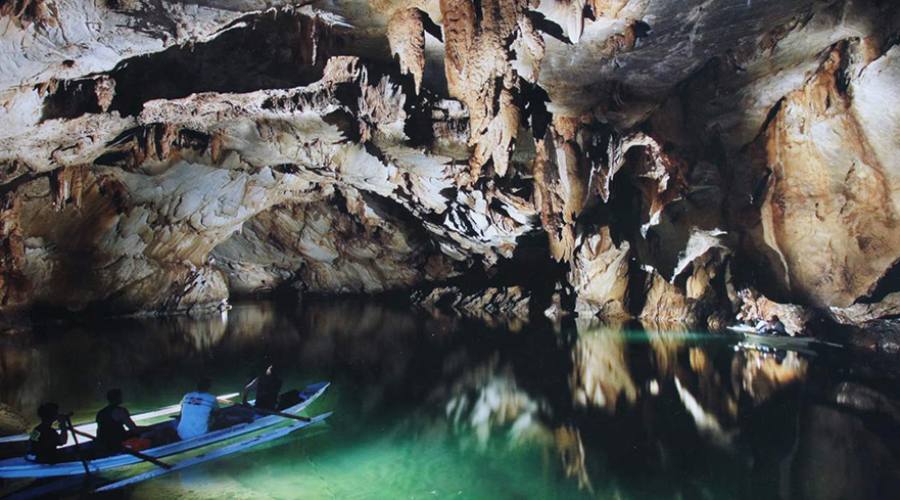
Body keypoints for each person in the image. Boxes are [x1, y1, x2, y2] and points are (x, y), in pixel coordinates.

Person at [95, 388, 143, 453]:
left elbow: (99, 431)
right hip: (119, 443)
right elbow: (133, 428)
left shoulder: (100, 413)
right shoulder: (120, 411)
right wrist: (148, 429)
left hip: (103, 444)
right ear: (118, 398)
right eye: (121, 396)